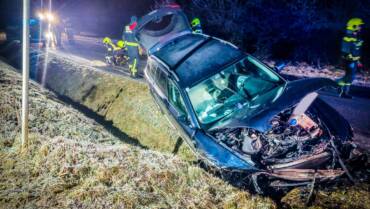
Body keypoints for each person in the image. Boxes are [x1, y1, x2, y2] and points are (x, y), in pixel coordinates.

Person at [338, 18, 364, 98]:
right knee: (349, 76)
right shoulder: (348, 36)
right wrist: (349, 58)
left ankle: (344, 92)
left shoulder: (354, 36)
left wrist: (358, 60)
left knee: (350, 77)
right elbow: (345, 49)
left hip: (354, 60)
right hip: (349, 60)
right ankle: (337, 85)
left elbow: (355, 50)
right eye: (359, 26)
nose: (360, 27)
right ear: (354, 26)